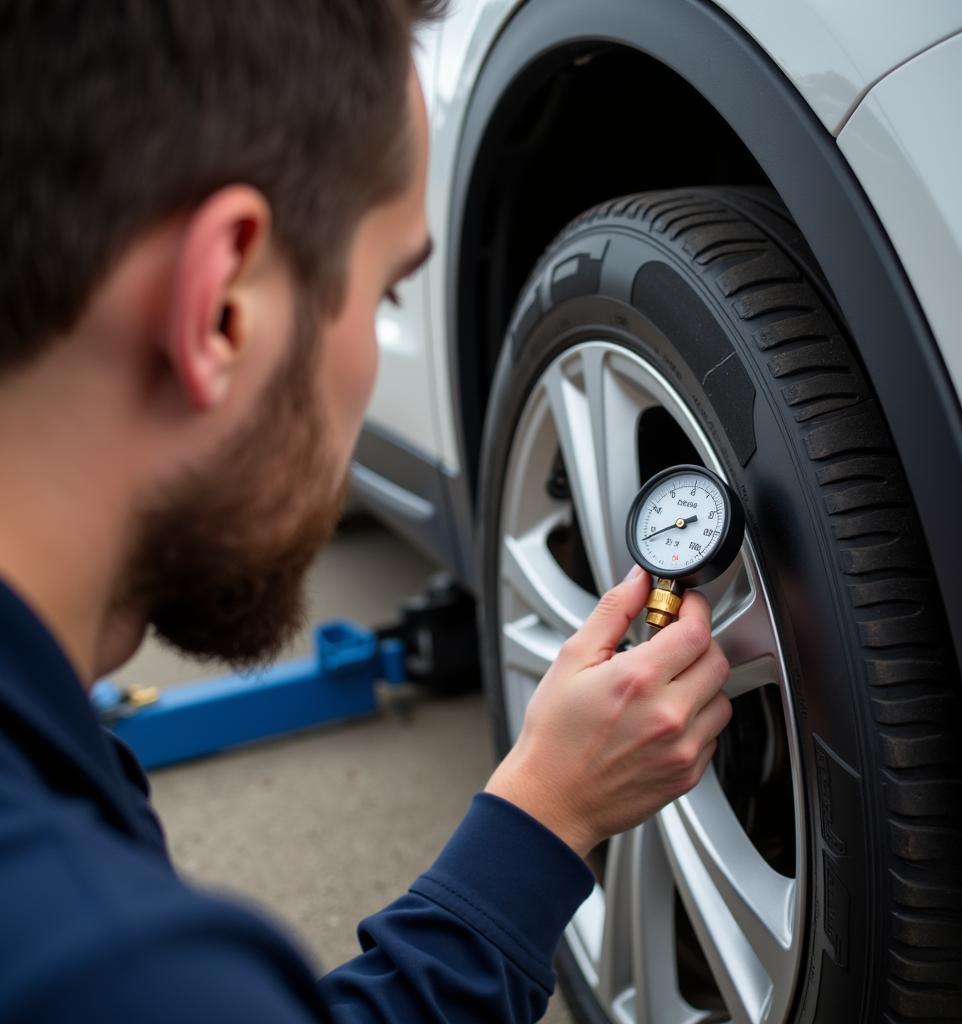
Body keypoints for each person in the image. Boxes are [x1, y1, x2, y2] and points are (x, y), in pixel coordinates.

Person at [0, 2, 733, 1021]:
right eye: (386, 293)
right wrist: (542, 821)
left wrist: (541, 804)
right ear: (223, 308)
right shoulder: (123, 967)